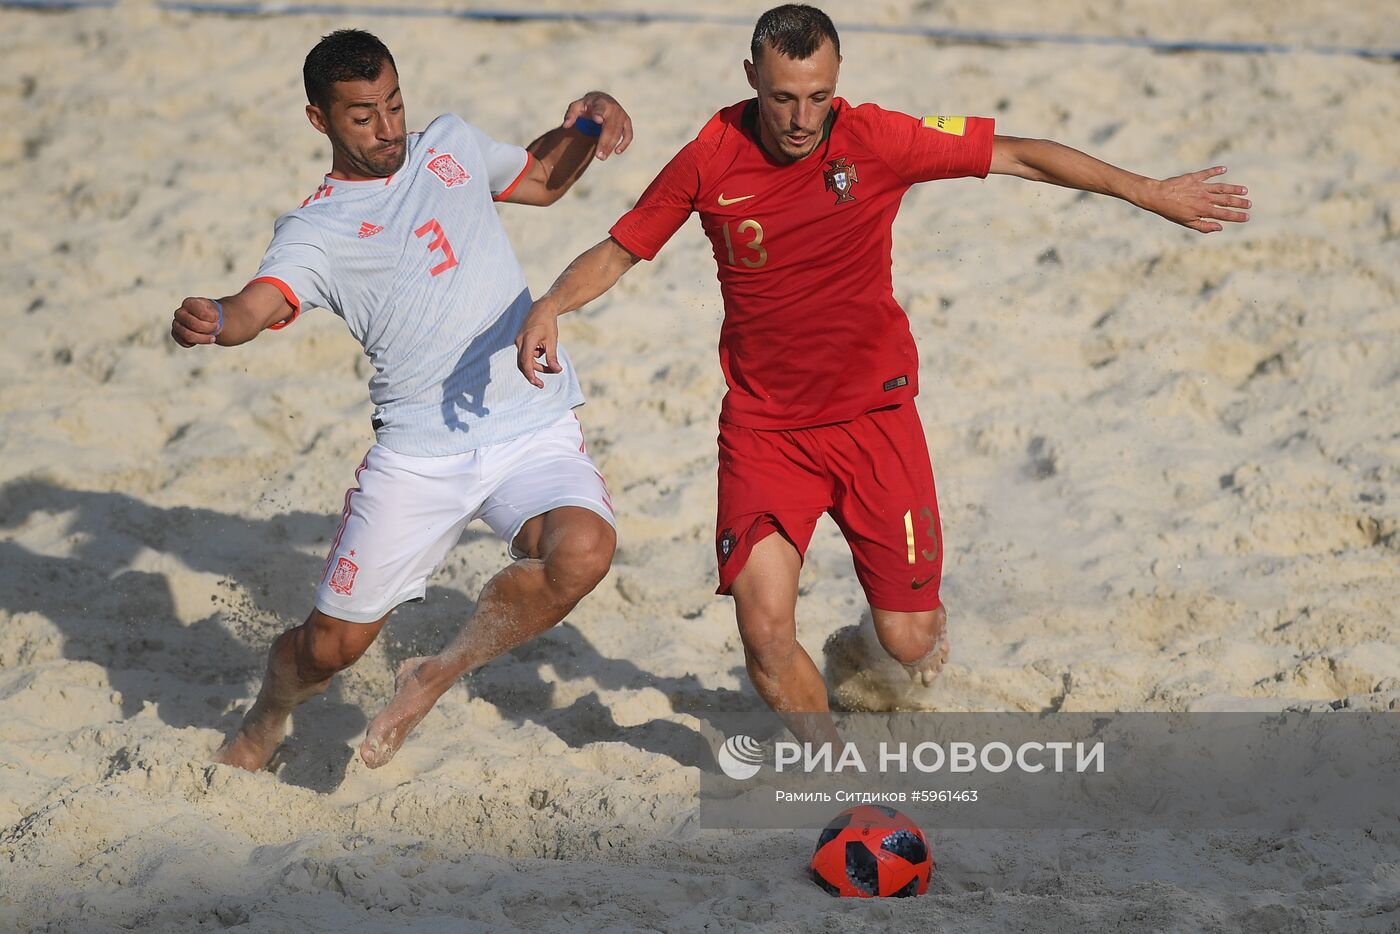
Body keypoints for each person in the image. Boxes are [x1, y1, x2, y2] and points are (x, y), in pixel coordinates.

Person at [514, 5, 1250, 742]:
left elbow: (1021, 154)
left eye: (819, 96)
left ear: (837, 84)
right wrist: (552, 302)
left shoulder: (878, 138)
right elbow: (619, 250)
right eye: (782, 98)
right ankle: (838, 774)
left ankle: (864, 651)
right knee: (764, 631)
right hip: (766, 433)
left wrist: (1148, 192)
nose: (802, 118)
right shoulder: (710, 156)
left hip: (875, 423)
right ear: (750, 80)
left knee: (909, 642)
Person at [171, 28, 633, 771]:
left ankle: (434, 675)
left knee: (583, 553)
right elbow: (258, 304)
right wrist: (218, 320)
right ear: (320, 120)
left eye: (393, 104)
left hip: (529, 424)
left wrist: (589, 120)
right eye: (362, 116)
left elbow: (544, 178)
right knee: (331, 649)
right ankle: (269, 712)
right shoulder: (315, 230)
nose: (387, 129)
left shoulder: (446, 144)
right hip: (418, 457)